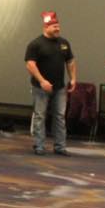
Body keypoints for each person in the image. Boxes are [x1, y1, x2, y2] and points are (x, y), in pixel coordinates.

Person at [25, 11, 75, 156]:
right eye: (54, 26)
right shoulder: (36, 44)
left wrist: (73, 78)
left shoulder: (64, 43)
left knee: (60, 116)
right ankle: (39, 145)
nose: (57, 29)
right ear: (45, 27)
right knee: (40, 115)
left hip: (59, 87)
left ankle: (60, 146)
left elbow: (70, 61)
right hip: (40, 87)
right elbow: (30, 64)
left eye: (58, 26)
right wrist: (42, 81)